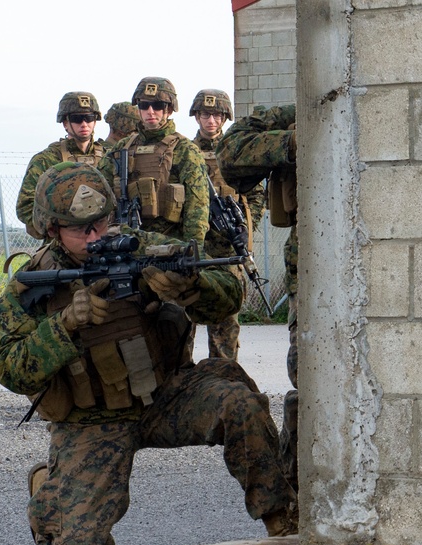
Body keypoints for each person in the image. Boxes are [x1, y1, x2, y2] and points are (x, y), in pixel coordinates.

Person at [0, 162, 298, 545]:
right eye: (82, 230)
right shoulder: (32, 283)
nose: (96, 237)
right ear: (51, 229)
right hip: (92, 422)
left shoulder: (144, 248)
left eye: (101, 223)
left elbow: (230, 291)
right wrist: (62, 327)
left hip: (166, 396)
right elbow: (8, 368)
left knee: (239, 404)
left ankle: (282, 521)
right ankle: (49, 492)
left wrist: (192, 289)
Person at [216, 104, 298, 492]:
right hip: (314, 272)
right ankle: (297, 491)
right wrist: (295, 141)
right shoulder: (293, 114)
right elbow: (230, 154)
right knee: (310, 378)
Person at [189, 88, 265, 360]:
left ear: (225, 117)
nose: (211, 120)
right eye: (206, 114)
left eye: (217, 115)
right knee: (181, 322)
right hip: (195, 248)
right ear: (197, 116)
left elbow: (256, 194)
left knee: (225, 326)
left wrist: (246, 226)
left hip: (228, 252)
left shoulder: (233, 152)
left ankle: (224, 379)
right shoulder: (187, 152)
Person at [96, 77, 209, 246]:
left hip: (169, 246)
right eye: (144, 105)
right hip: (125, 243)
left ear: (169, 110)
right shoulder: (121, 149)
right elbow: (99, 189)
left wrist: (192, 250)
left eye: (158, 106)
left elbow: (197, 208)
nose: (150, 111)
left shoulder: (185, 150)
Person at [16, 92, 105, 236]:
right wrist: (61, 227)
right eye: (77, 119)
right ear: (65, 123)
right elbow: (25, 206)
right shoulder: (46, 160)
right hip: (62, 242)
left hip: (103, 238)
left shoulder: (110, 156)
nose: (84, 124)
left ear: (95, 121)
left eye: (89, 118)